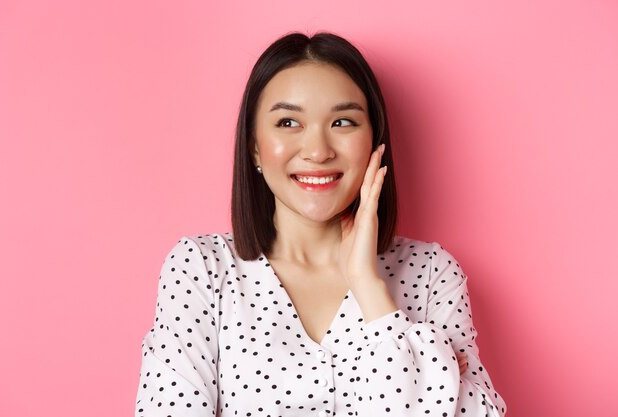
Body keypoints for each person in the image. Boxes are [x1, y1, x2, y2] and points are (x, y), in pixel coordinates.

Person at [135, 32, 507, 417]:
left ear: (374, 142)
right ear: (254, 147)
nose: (318, 151)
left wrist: (370, 288)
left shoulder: (431, 273)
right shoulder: (201, 269)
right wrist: (430, 375)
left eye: (343, 122)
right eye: (289, 122)